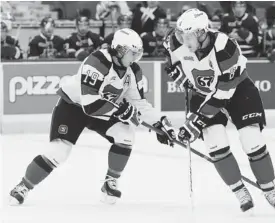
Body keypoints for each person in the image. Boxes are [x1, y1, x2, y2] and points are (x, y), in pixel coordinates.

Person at [9, 28, 176, 206]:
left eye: (138, 53)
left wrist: (160, 123)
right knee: (59, 152)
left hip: (103, 109)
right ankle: (23, 186)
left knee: (126, 134)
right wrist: (122, 111)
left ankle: (109, 183)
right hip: (73, 107)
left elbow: (139, 103)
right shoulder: (97, 61)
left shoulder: (133, 71)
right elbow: (90, 105)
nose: (135, 57)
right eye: (132, 53)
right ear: (119, 50)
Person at [163, 9, 275, 214]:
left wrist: (196, 122)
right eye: (181, 34)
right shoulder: (174, 41)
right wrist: (177, 74)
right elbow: (172, 63)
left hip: (236, 89)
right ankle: (239, 191)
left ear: (202, 33)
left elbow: (223, 93)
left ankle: (269, 189)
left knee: (251, 139)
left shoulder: (225, 47)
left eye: (189, 36)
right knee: (215, 143)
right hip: (202, 93)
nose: (183, 40)